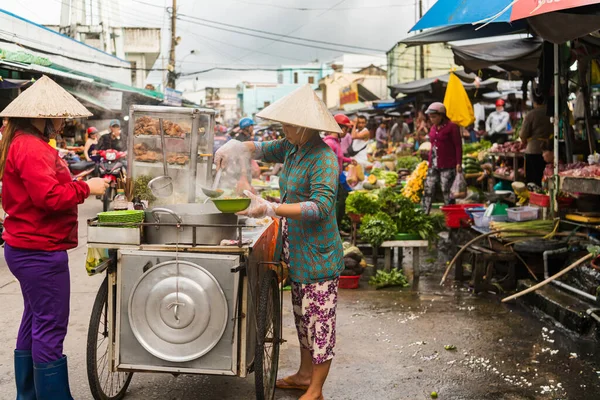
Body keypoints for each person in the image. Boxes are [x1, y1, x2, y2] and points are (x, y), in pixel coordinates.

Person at [215, 84, 343, 400]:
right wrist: (235, 147)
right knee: (302, 315)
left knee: (320, 322)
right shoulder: (292, 146)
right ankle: (303, 375)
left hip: (319, 254)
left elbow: (320, 207)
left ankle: (316, 389)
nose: (282, 130)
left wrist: (272, 207)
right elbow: (260, 148)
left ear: (305, 126)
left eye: (287, 125)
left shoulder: (323, 158)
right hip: (295, 248)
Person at [0, 75, 108, 399]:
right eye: (59, 117)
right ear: (42, 115)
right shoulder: (30, 146)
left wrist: (72, 179)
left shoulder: (18, 140)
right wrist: (87, 188)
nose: (62, 123)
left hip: (25, 247)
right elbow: (48, 198)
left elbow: (41, 188)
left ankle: (28, 395)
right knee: (49, 327)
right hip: (39, 251)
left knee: (34, 320)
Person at [421, 102, 462, 214]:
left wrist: (459, 162)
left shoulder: (452, 127)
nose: (432, 119)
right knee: (428, 189)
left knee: (447, 192)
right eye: (430, 117)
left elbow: (458, 145)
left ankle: (451, 218)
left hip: (448, 164)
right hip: (433, 164)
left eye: (434, 117)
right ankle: (424, 214)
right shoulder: (433, 128)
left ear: (442, 116)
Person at [325, 114, 356, 227]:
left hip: (338, 178)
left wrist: (349, 160)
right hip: (331, 181)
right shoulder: (329, 143)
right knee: (336, 205)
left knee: (341, 203)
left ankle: (337, 228)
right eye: (347, 129)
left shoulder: (336, 142)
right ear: (341, 128)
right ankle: (334, 229)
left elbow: (339, 158)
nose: (347, 132)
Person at [520, 94, 553, 186]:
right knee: (547, 177)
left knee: (533, 180)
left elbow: (523, 134)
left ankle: (535, 198)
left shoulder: (531, 114)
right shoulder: (551, 113)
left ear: (534, 102)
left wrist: (524, 142)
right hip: (550, 150)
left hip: (533, 150)